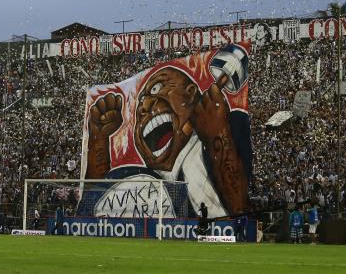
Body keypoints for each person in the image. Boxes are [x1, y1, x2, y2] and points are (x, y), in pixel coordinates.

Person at [86, 65, 251, 218]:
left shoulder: (229, 123)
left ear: (191, 93)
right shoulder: (140, 177)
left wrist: (218, 133)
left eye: (157, 88)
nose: (144, 106)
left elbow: (240, 208)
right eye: (140, 107)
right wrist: (98, 142)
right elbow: (92, 205)